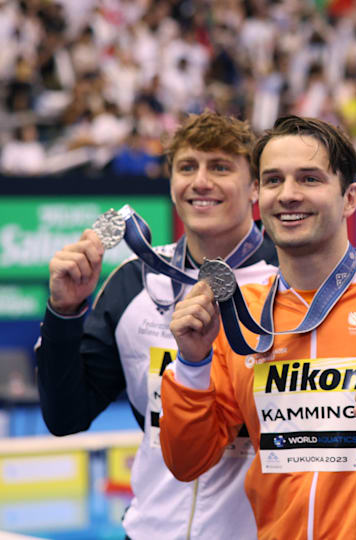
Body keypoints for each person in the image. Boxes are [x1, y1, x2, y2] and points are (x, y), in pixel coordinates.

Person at [159, 116, 356, 540]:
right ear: (258, 194)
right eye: (274, 180)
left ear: (350, 197)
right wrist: (191, 362)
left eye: (310, 178)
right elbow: (187, 462)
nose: (289, 195)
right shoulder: (241, 316)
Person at [36, 111, 275, 539]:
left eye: (220, 167)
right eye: (187, 167)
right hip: (150, 529)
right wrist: (64, 312)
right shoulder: (133, 280)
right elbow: (66, 416)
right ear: (171, 183)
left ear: (255, 186)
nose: (200, 181)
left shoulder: (290, 282)